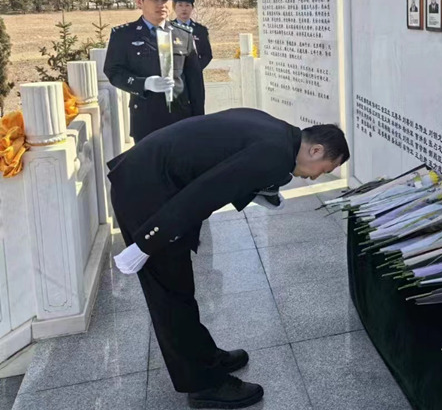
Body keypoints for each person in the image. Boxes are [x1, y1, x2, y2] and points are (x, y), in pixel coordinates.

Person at [109, 109, 350, 408]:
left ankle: (204, 357)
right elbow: (203, 194)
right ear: (316, 150)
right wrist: (146, 242)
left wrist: (259, 191)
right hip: (148, 192)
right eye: (324, 170)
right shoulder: (276, 154)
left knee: (180, 290)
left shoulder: (279, 133)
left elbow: (227, 164)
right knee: (170, 295)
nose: (316, 177)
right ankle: (203, 385)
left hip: (150, 177)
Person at [104, 0, 204, 143]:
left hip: (182, 119)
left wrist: (199, 120)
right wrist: (144, 84)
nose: (161, 5)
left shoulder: (183, 34)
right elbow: (114, 72)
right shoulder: (123, 35)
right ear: (139, 2)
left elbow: (195, 81)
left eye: (165, 0)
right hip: (146, 119)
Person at [172, 0, 213, 69]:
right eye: (180, 5)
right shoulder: (168, 29)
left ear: (192, 8)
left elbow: (207, 55)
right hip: (174, 73)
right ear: (174, 8)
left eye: (187, 5)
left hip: (194, 73)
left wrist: (196, 68)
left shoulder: (200, 30)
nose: (184, 9)